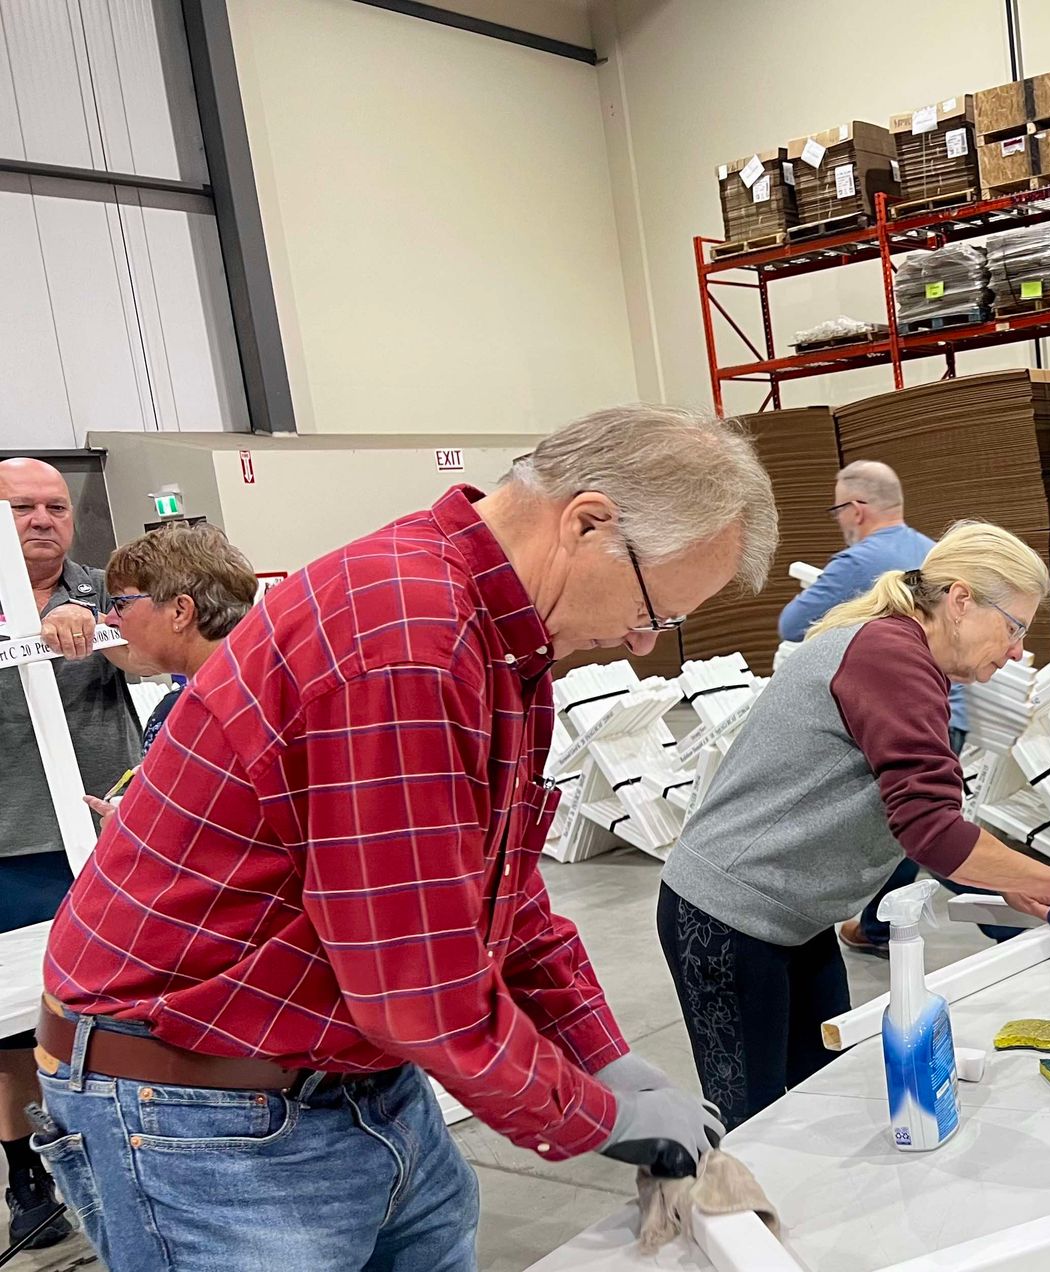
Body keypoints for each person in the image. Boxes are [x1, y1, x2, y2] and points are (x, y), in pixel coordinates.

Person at [35, 406, 776, 1270]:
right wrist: (596, 1116)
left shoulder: (496, 640)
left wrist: (603, 1058)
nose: (642, 642)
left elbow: (500, 892)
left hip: (354, 1081)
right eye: (655, 608)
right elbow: (416, 987)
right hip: (202, 1117)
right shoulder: (408, 639)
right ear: (586, 522)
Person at [659, 521, 1050, 1127]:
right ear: (961, 600)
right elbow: (931, 830)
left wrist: (1005, 881)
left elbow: (922, 822)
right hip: (727, 916)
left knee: (820, 1091)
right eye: (1015, 626)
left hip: (793, 916)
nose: (1018, 649)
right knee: (751, 1122)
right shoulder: (891, 656)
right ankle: (728, 1218)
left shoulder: (900, 654)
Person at [0, 457, 141, 1252]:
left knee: (116, 1005)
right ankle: (25, 1171)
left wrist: (98, 633)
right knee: (14, 1029)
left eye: (56, 505)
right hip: (10, 844)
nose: (44, 519)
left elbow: (152, 655)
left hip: (110, 836)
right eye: (23, 507)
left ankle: (121, 1151)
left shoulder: (106, 585)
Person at [771, 461, 989, 955]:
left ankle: (1022, 914)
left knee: (928, 834)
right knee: (915, 825)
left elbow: (792, 625)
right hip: (950, 712)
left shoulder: (856, 563)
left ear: (856, 508)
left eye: (837, 509)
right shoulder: (937, 552)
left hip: (890, 719)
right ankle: (877, 927)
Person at [80, 523, 260, 817]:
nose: (110, 619)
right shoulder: (188, 704)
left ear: (180, 611)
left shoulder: (236, 708)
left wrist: (141, 831)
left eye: (122, 603)